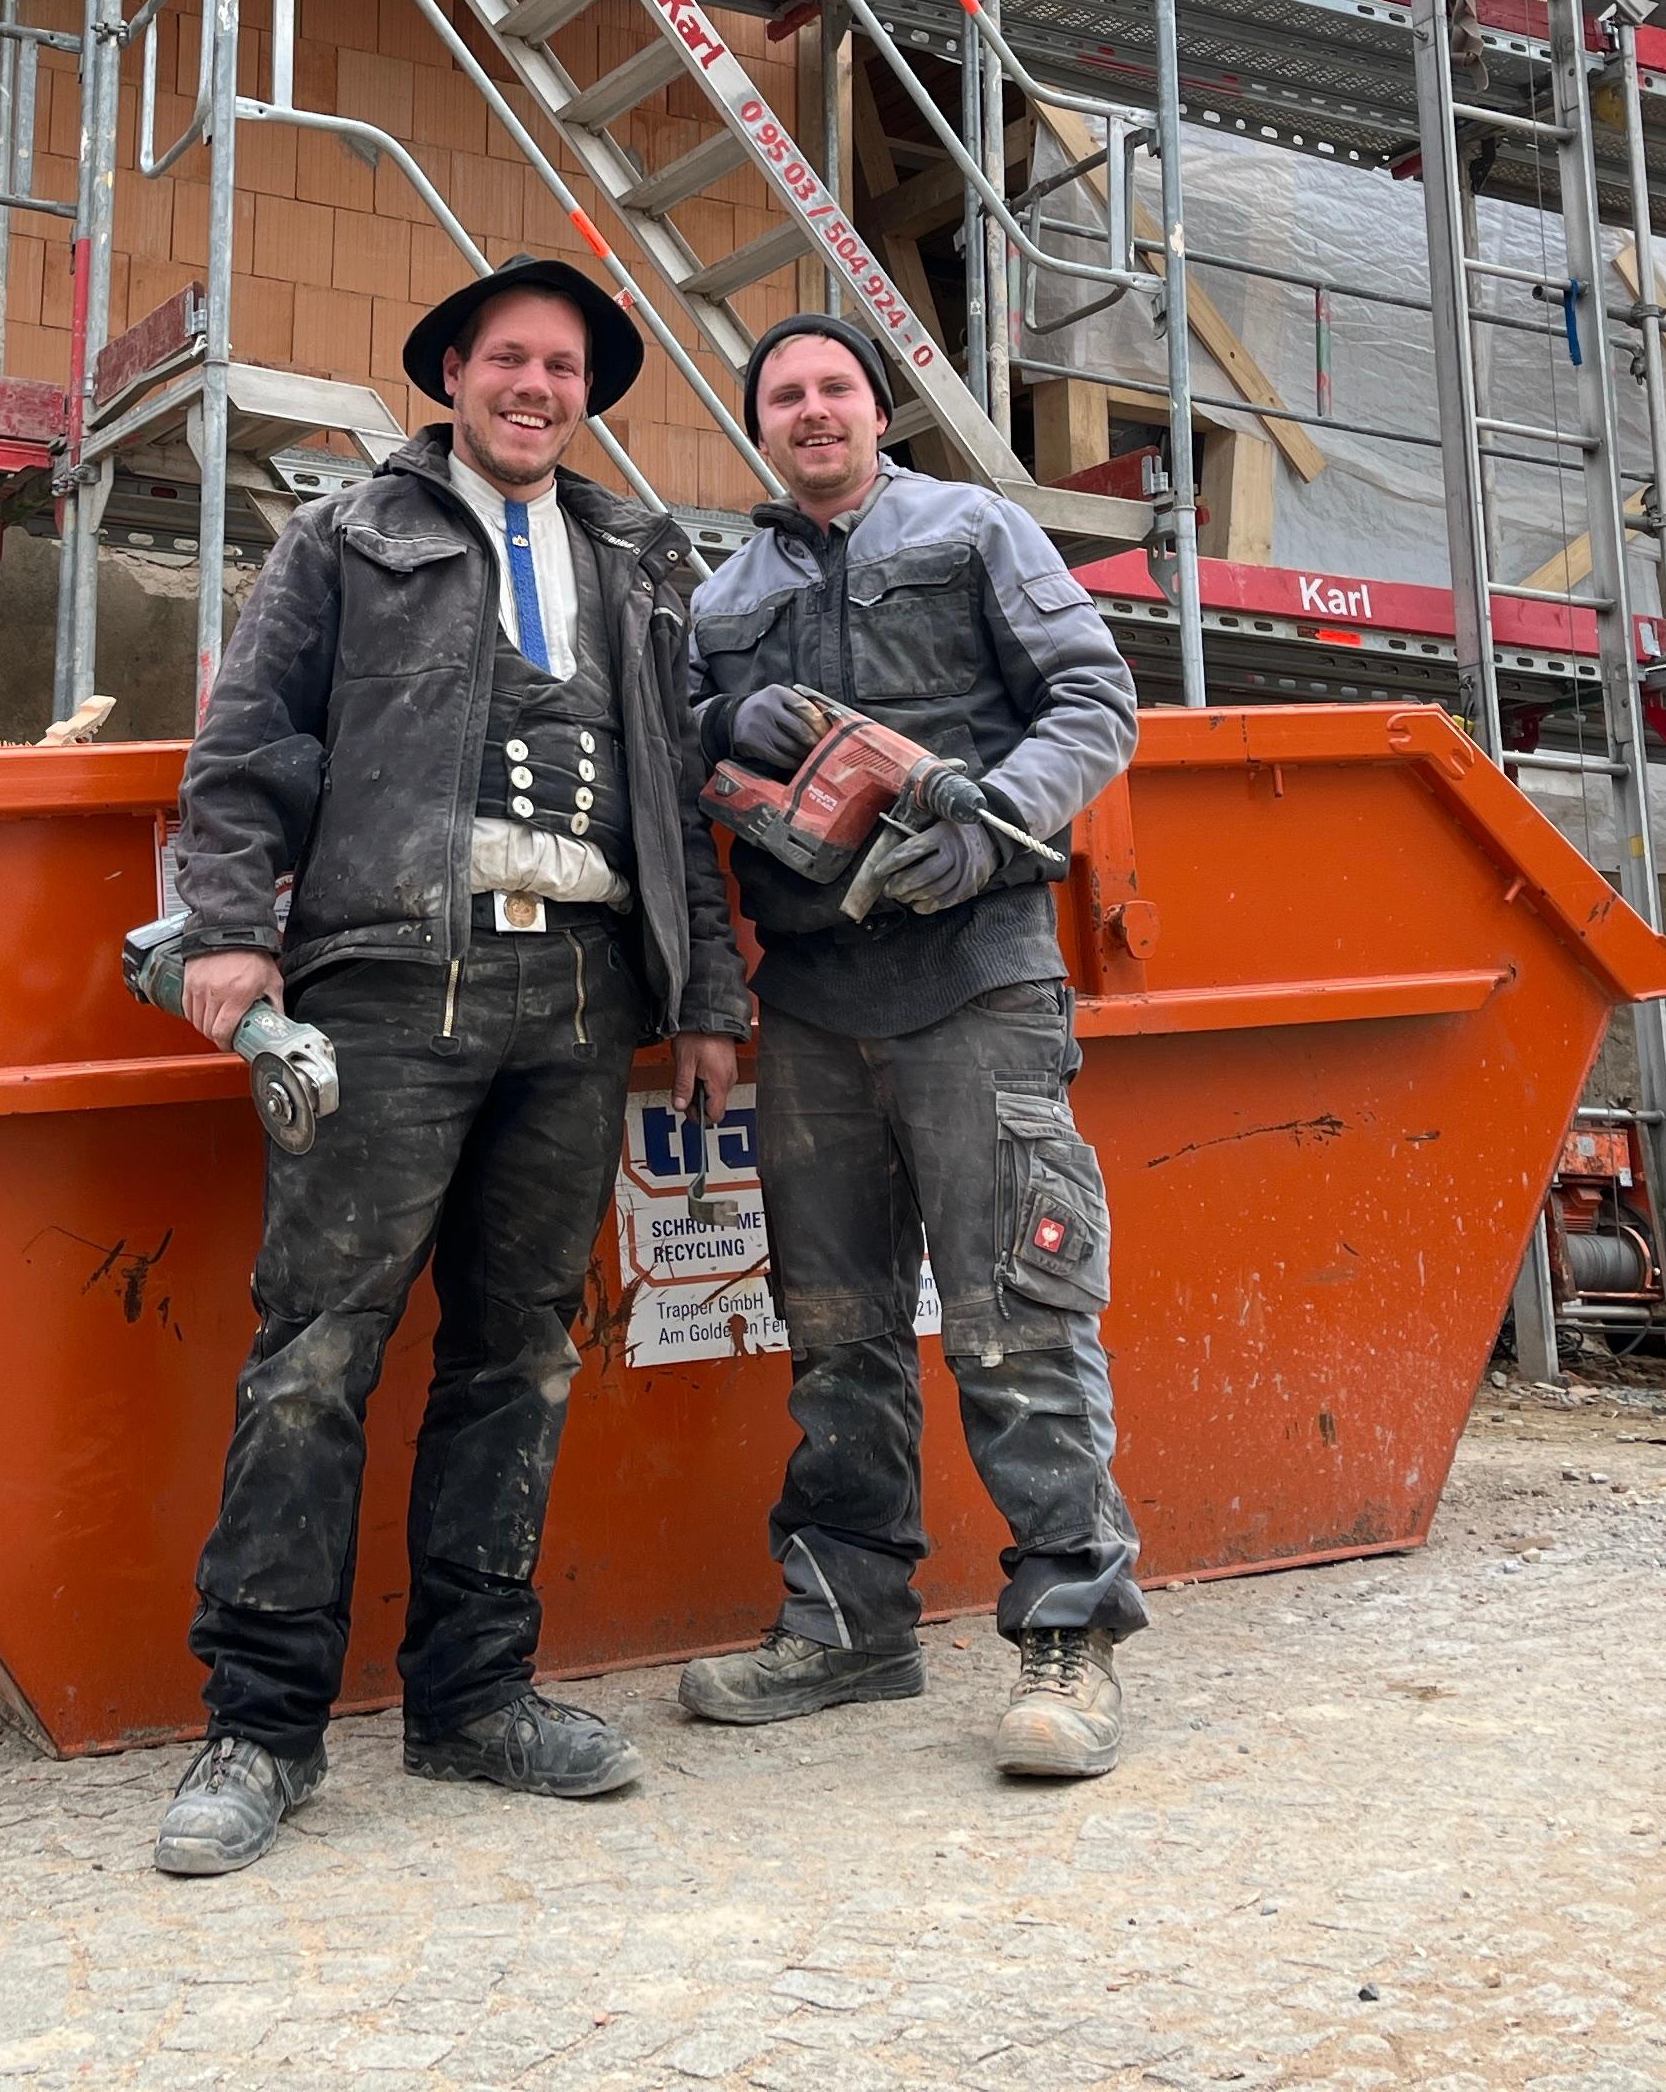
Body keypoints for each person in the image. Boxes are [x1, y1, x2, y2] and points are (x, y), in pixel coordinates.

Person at [150, 259, 749, 1875]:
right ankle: (260, 1730)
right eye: (509, 360)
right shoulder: (347, 536)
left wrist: (707, 996)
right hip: (388, 982)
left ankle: (474, 1700)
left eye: (563, 366)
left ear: (587, 390)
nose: (536, 387)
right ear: (457, 375)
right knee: (316, 1353)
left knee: (521, 1354)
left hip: (579, 994)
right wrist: (228, 930)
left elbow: (677, 798)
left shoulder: (639, 558)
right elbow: (251, 745)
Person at [675, 312, 1149, 1776]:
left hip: (976, 986)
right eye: (785, 396)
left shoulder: (977, 529)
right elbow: (686, 766)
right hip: (814, 1003)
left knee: (1018, 1316)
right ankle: (847, 1624)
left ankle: (1069, 1635)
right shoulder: (723, 594)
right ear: (761, 425)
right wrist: (721, 716)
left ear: (878, 412)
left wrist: (992, 832)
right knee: (836, 1336)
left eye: (835, 390)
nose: (813, 413)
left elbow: (1096, 700)